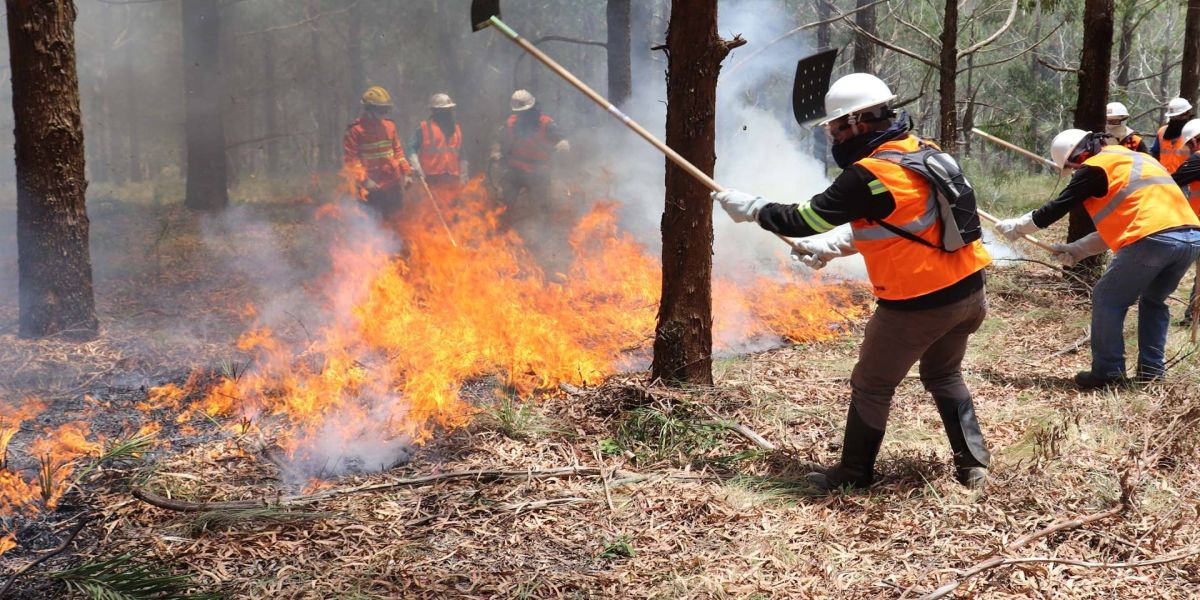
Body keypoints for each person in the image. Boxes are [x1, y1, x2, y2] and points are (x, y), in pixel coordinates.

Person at [712, 73, 993, 492]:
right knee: (944, 374)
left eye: (834, 127)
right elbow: (900, 222)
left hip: (917, 305)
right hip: (969, 292)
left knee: (871, 385)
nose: (832, 136)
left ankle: (853, 475)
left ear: (857, 123)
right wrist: (828, 249)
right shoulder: (923, 153)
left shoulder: (867, 175)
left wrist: (754, 208)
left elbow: (802, 218)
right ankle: (973, 465)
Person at [996, 129, 1200, 387]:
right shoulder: (1137, 159)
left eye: (1071, 167)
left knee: (1108, 298)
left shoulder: (1094, 168)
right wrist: (1078, 249)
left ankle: (1108, 373)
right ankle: (1152, 372)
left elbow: (1056, 208)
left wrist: (1020, 226)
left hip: (1152, 238)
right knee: (1154, 301)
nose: (1073, 172)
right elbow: (1130, 224)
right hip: (1190, 236)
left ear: (1077, 157)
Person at [343, 85, 413, 220]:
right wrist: (365, 181)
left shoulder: (390, 126)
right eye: (381, 109)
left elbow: (398, 152)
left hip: (392, 183)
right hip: (370, 187)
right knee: (373, 225)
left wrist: (407, 173)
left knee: (397, 222)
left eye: (386, 109)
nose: (384, 113)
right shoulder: (355, 131)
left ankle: (397, 242)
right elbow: (351, 161)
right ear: (369, 109)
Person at [490, 89, 569, 207]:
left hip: (539, 171)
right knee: (504, 202)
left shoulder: (546, 124)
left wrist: (562, 144)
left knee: (540, 206)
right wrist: (495, 152)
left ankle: (541, 223)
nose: (523, 116)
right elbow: (498, 139)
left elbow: (561, 139)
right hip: (515, 170)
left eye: (526, 112)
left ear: (533, 109)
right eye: (520, 113)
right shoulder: (510, 124)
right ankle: (505, 221)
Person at [408, 93, 468, 201]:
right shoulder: (424, 128)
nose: (446, 113)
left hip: (453, 176)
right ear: (435, 111)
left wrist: (464, 173)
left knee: (453, 210)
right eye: (443, 110)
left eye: (448, 110)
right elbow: (411, 148)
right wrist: (417, 167)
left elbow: (462, 152)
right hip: (433, 177)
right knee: (433, 211)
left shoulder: (456, 129)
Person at [1170, 118, 1200, 324]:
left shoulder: (1198, 159)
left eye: (1190, 144)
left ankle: (1193, 315)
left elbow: (1171, 183)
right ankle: (1193, 314)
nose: (1189, 150)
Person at [1151, 97, 1195, 173]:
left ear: (1188, 114)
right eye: (1173, 117)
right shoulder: (1162, 131)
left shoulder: (1195, 133)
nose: (1175, 119)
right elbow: (1154, 154)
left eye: (1179, 116)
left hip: (1186, 181)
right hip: (1163, 179)